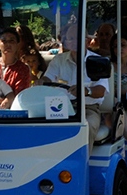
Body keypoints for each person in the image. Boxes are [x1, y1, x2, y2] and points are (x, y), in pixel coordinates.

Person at [42, 23, 106, 152]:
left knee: (85, 128)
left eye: (78, 38)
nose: (74, 42)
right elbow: (47, 78)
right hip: (61, 108)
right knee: (42, 128)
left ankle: (81, 167)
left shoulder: (99, 61)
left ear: (87, 41)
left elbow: (101, 91)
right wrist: (41, 81)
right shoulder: (58, 60)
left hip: (88, 109)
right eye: (70, 38)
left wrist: (86, 91)